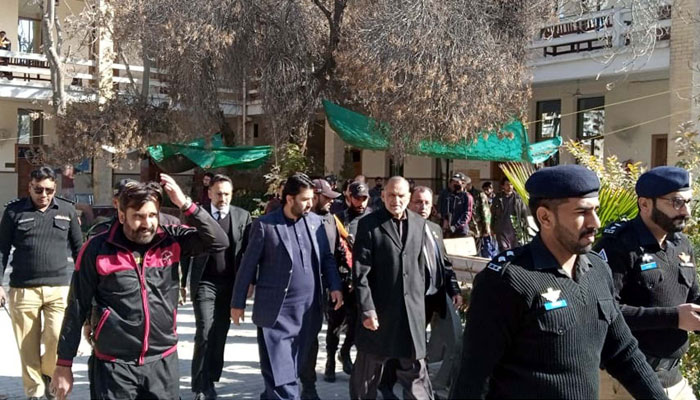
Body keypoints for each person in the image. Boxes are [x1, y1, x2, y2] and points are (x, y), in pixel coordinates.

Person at [450, 165, 667, 399]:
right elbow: (472, 378)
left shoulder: (597, 269)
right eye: (581, 212)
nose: (595, 222)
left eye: (596, 210)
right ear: (545, 217)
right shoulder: (508, 280)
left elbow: (624, 353)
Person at [51, 175, 229, 400]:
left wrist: (186, 204)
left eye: (153, 215)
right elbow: (77, 307)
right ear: (122, 215)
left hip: (162, 362)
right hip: (114, 366)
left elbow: (219, 241)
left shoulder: (170, 240)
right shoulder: (97, 248)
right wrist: (64, 364)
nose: (147, 224)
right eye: (139, 216)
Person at [230, 173, 343, 399]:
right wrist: (238, 302)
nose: (310, 204)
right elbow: (247, 266)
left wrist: (335, 286)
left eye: (312, 198)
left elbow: (327, 258)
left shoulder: (316, 223)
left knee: (288, 370)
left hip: (308, 312)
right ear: (289, 199)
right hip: (276, 313)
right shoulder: (265, 226)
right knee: (282, 377)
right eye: (304, 199)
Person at [595, 166, 699, 400]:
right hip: (626, 381)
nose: (686, 211)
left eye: (688, 202)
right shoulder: (618, 246)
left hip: (674, 378)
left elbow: (692, 299)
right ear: (644, 204)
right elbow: (604, 312)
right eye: (676, 202)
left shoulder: (682, 245)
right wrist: (674, 317)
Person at [0, 166, 83, 400]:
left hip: (59, 288)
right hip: (23, 290)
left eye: (48, 190)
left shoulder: (66, 210)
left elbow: (80, 251)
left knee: (56, 338)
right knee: (27, 347)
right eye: (38, 189)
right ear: (30, 187)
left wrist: (84, 284)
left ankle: (48, 373)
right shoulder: (14, 212)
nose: (43, 195)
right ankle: (34, 393)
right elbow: (1, 250)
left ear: (54, 188)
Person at [350, 176, 433, 400]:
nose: (396, 200)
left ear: (408, 197)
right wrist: (367, 310)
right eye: (391, 195)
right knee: (367, 376)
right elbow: (360, 272)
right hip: (379, 314)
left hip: (410, 314)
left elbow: (420, 268)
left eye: (401, 195)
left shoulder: (419, 224)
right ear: (383, 196)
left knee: (416, 374)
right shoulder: (369, 225)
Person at [182, 174, 252, 400]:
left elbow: (250, 253)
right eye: (219, 193)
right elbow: (184, 251)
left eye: (227, 194)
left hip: (230, 284)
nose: (223, 198)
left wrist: (250, 282)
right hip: (204, 283)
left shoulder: (242, 216)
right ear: (209, 193)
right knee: (204, 332)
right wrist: (182, 282)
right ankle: (200, 385)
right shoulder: (197, 216)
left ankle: (211, 379)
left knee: (220, 333)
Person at [298, 178, 348, 398]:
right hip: (294, 291)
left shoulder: (330, 221)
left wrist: (335, 285)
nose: (330, 202)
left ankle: (309, 387)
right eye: (326, 197)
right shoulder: (296, 219)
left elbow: (331, 255)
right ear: (315, 196)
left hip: (319, 291)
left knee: (311, 338)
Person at [87, 178, 181, 239]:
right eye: (124, 200)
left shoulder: (171, 225)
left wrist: (186, 205)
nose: (147, 224)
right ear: (115, 202)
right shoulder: (104, 231)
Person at [491, 177, 529, 251]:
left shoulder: (518, 198)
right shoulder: (498, 198)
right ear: (503, 186)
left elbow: (524, 214)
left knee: (515, 251)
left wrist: (526, 227)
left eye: (511, 185)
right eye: (507, 185)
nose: (510, 187)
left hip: (515, 229)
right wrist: (492, 228)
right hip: (501, 229)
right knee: (504, 250)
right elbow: (493, 214)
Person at [465, 176, 496, 259]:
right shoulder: (463, 194)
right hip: (465, 228)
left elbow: (485, 212)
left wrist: (487, 228)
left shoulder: (480, 195)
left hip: (476, 228)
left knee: (476, 251)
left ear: (469, 184)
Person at [439, 173, 473, 238]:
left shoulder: (467, 196)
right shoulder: (450, 196)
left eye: (457, 182)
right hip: (448, 230)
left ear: (463, 184)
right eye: (453, 182)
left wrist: (456, 226)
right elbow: (446, 210)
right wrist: (445, 220)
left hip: (461, 231)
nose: (455, 184)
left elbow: (467, 214)